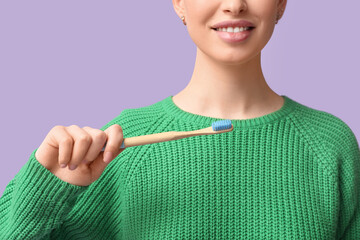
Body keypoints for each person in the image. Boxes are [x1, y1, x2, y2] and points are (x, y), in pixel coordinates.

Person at [0, 0, 359, 239]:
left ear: (280, 3)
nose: (234, 4)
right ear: (179, 3)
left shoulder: (329, 145)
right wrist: (47, 188)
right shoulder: (124, 144)